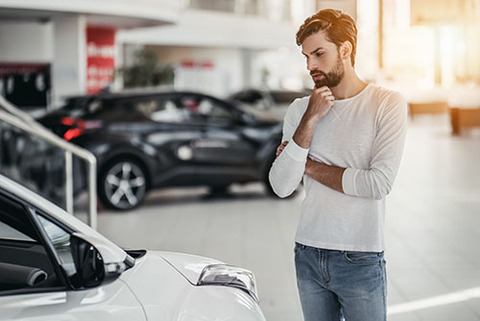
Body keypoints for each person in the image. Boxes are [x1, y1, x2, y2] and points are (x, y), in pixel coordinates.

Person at [269, 8, 407, 321]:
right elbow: (280, 186)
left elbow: (377, 184)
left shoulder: (386, 104)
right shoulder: (300, 109)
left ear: (345, 49)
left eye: (319, 53)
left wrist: (307, 165)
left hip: (360, 255)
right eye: (306, 56)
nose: (310, 65)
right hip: (307, 252)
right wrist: (310, 118)